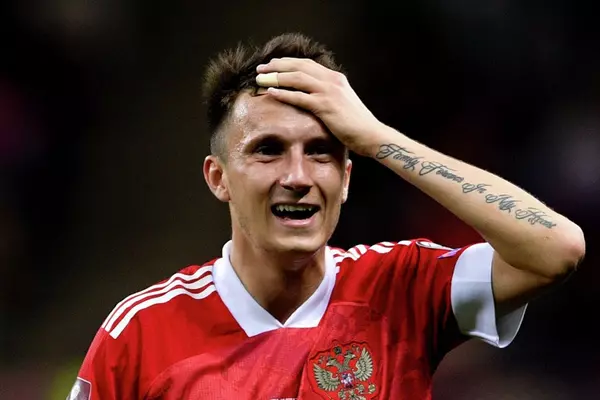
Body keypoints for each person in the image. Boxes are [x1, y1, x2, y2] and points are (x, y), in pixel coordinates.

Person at [68, 33, 585, 400]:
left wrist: (378, 138)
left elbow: (556, 249)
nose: (298, 175)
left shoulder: (399, 287)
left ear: (347, 177)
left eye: (321, 151)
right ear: (218, 177)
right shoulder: (139, 335)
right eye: (268, 150)